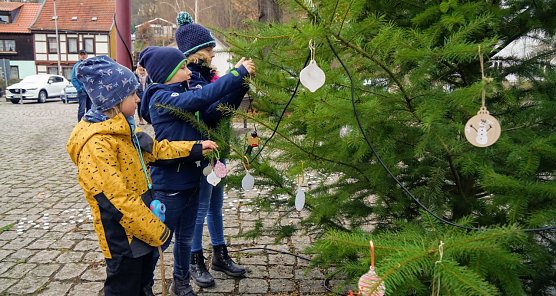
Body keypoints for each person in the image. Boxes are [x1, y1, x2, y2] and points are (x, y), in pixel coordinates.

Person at [66, 55, 218, 296]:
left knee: (144, 284)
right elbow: (116, 201)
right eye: (132, 94)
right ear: (114, 100)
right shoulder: (97, 145)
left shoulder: (128, 131)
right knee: (125, 287)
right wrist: (157, 231)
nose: (138, 99)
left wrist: (196, 147)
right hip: (123, 239)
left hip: (143, 227)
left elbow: (156, 150)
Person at [138, 46, 255, 296]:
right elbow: (200, 100)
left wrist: (241, 82)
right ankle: (142, 285)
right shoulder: (161, 97)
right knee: (159, 238)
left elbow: (212, 105)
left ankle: (181, 283)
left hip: (193, 181)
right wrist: (234, 73)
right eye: (181, 68)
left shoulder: (184, 92)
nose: (187, 71)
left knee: (184, 238)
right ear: (166, 74)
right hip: (170, 185)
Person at [175, 11, 251, 288]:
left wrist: (239, 84)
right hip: (204, 152)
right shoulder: (191, 80)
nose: (213, 52)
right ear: (195, 52)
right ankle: (195, 260)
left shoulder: (209, 75)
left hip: (219, 151)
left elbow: (224, 105)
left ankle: (220, 255)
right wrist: (236, 79)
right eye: (209, 48)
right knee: (201, 208)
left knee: (216, 207)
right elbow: (209, 113)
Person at [71, 49, 92, 122]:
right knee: (82, 109)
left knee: (90, 109)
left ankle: (89, 124)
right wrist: (79, 89)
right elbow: (73, 79)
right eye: (81, 54)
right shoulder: (76, 66)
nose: (83, 56)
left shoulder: (90, 65)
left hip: (90, 91)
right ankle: (80, 124)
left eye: (84, 54)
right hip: (82, 91)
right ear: (79, 56)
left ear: (87, 55)